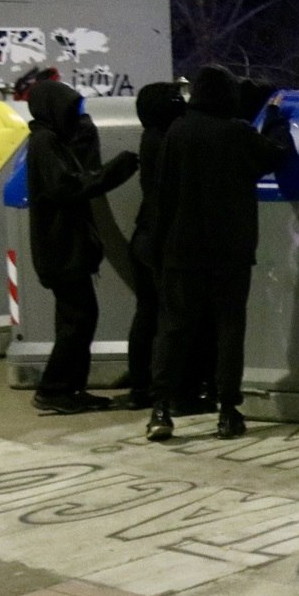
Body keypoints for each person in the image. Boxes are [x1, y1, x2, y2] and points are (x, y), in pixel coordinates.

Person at [144, 65, 294, 442]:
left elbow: (163, 195)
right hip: (230, 252)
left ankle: (160, 410)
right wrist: (276, 119)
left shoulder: (178, 132)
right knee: (229, 330)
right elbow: (277, 155)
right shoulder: (236, 132)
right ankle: (228, 412)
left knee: (174, 330)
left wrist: (158, 248)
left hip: (181, 251)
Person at [22, 79, 138, 414]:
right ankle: (54, 389)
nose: (75, 115)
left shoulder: (51, 140)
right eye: (70, 109)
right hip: (61, 250)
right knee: (79, 319)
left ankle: (70, 388)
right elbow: (65, 187)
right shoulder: (44, 142)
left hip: (65, 249)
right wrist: (115, 171)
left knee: (76, 320)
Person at [117, 80, 186, 410]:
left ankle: (140, 383)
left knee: (146, 312)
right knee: (168, 316)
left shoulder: (151, 137)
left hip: (143, 236)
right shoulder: (167, 141)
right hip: (160, 239)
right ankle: (164, 388)